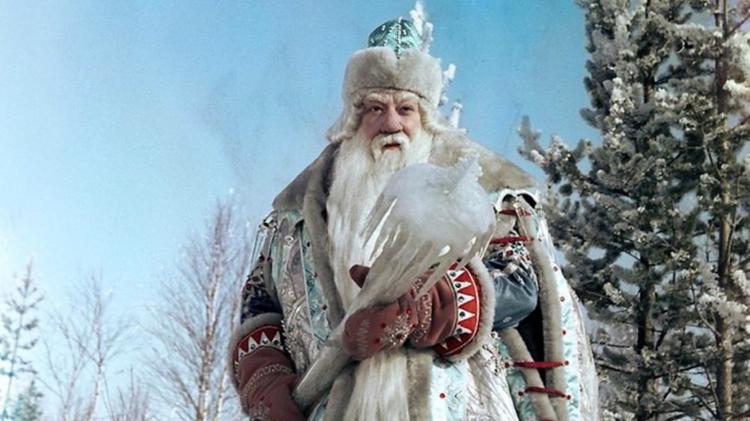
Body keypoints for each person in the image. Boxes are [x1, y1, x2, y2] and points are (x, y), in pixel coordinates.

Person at [229, 18, 598, 421]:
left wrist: (425, 308)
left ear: (424, 115)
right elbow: (260, 300)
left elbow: (523, 285)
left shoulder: (486, 190)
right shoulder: (298, 213)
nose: (391, 124)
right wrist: (263, 377)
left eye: (404, 108)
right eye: (375, 108)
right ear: (353, 118)